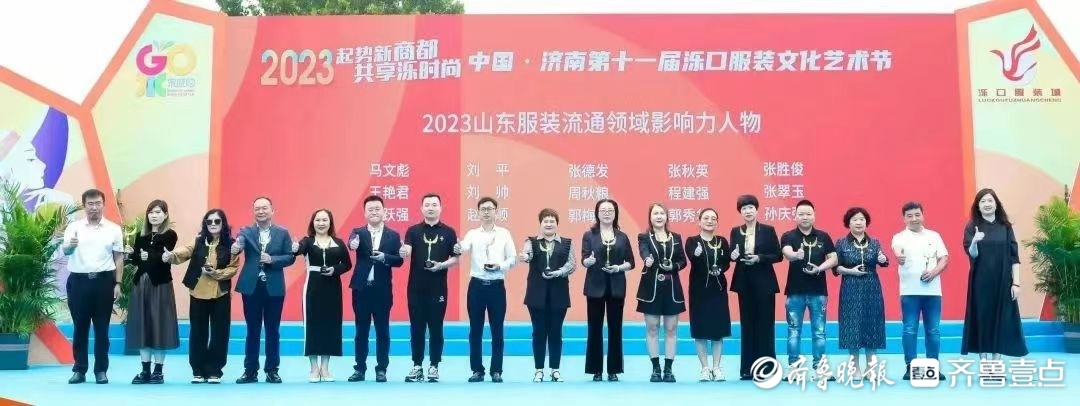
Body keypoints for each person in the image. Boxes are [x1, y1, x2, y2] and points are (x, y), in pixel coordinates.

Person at [164, 209, 239, 384]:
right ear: (205, 224)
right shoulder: (198, 240)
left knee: (220, 333)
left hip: (220, 293)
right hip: (198, 292)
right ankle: (197, 370)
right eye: (209, 221)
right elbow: (185, 251)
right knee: (198, 332)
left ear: (223, 223)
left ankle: (214, 370)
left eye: (217, 221)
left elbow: (233, 268)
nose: (213, 224)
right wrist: (171, 255)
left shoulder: (231, 244)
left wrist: (216, 273)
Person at [62, 189, 124, 384]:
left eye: (98, 203)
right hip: (78, 282)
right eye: (90, 204)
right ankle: (79, 370)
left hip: (104, 282)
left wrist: (118, 283)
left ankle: (101, 370)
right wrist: (71, 246)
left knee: (102, 329)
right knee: (80, 328)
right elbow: (66, 251)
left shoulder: (113, 229)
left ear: (103, 204)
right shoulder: (73, 227)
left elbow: (119, 257)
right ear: (84, 205)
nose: (94, 207)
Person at [231, 196, 296, 384]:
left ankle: (272, 370)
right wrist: (236, 248)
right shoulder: (246, 231)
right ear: (253, 212)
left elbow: (290, 257)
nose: (261, 211)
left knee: (272, 330)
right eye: (257, 208)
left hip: (274, 287)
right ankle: (250, 370)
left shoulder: (282, 233)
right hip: (251, 287)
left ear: (272, 211)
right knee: (252, 330)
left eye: (264, 208)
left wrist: (272, 260)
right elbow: (239, 243)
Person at [961, 188, 1029, 361]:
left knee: (1001, 319)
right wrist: (974, 241)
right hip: (981, 282)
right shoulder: (972, 226)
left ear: (996, 204)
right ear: (978, 206)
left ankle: (996, 363)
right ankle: (984, 363)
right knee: (983, 319)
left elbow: (1014, 257)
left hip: (1003, 281)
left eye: (990, 200)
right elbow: (972, 254)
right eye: (983, 201)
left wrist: (1016, 283)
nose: (987, 204)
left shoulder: (1005, 227)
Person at [454, 197, 517, 383]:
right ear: (478, 212)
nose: (487, 212)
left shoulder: (504, 233)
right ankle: (477, 370)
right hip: (477, 286)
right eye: (483, 209)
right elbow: (463, 248)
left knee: (497, 330)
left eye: (490, 208)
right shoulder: (473, 233)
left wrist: (500, 266)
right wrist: (458, 247)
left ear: (496, 211)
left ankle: (496, 370)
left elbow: (513, 258)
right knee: (475, 330)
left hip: (496, 286)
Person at [400, 193, 459, 382]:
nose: (431, 208)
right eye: (427, 205)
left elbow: (455, 259)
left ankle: (434, 366)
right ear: (421, 208)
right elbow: (407, 250)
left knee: (436, 327)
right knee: (416, 328)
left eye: (434, 205)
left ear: (440, 208)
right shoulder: (413, 231)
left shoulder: (449, 232)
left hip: (438, 288)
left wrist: (441, 265)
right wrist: (403, 251)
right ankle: (417, 366)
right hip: (415, 288)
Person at [347, 195, 404, 383]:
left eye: (377, 209)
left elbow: (399, 261)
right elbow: (351, 242)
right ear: (365, 213)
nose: (374, 212)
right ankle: (359, 369)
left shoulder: (393, 235)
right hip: (361, 289)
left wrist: (384, 257)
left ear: (384, 211)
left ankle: (381, 369)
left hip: (382, 290)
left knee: (382, 331)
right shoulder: (358, 232)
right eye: (370, 209)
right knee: (361, 331)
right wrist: (352, 244)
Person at [779, 199, 837, 380]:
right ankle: (794, 368)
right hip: (795, 292)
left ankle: (820, 368)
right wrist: (796, 255)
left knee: (819, 332)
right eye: (801, 214)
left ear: (814, 215)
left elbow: (833, 258)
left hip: (818, 292)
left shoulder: (823, 236)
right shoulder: (789, 236)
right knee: (793, 331)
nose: (805, 217)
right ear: (795, 216)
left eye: (808, 214)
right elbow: (786, 252)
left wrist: (820, 268)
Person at [292, 209, 352, 382]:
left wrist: (335, 269)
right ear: (313, 223)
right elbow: (298, 250)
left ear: (330, 222)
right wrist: (295, 248)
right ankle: (313, 368)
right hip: (312, 288)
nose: (321, 223)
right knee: (312, 326)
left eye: (324, 220)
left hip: (333, 288)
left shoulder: (338, 243)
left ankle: (325, 368)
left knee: (330, 326)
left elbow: (347, 264)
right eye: (317, 220)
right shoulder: (307, 241)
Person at [891, 201, 948, 381]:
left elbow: (944, 258)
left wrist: (933, 272)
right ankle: (911, 367)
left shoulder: (934, 236)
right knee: (909, 329)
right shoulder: (899, 237)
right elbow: (897, 250)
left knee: (933, 330)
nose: (914, 218)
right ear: (904, 218)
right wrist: (899, 257)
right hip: (909, 292)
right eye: (909, 216)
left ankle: (933, 366)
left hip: (933, 292)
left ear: (923, 215)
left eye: (917, 214)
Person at [125, 200, 180, 384]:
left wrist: (148, 255)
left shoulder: (170, 235)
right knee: (143, 325)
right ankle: (145, 370)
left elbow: (163, 256)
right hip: (140, 284)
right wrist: (131, 254)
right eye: (151, 212)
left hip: (160, 285)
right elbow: (137, 260)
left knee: (159, 324)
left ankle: (158, 371)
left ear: (165, 215)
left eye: (158, 212)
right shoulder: (140, 236)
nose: (154, 215)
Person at [727, 194, 782, 381]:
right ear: (740, 212)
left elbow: (777, 255)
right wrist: (733, 255)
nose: (748, 211)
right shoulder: (736, 231)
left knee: (765, 325)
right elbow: (732, 254)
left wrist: (759, 258)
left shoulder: (767, 230)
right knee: (747, 325)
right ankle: (747, 369)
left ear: (757, 210)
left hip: (764, 283)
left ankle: (767, 368)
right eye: (744, 209)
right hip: (744, 282)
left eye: (750, 208)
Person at [581, 198, 635, 382]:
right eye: (603, 210)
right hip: (594, 287)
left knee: (615, 328)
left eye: (610, 210)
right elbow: (584, 259)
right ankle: (595, 369)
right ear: (597, 213)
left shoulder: (622, 236)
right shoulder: (589, 235)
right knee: (594, 328)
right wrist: (588, 261)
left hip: (616, 286)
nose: (606, 213)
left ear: (615, 213)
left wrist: (619, 268)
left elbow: (631, 262)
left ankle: (614, 369)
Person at [519, 208, 575, 382]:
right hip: (536, 294)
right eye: (546, 221)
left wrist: (559, 272)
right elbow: (527, 255)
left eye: (552, 221)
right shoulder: (531, 242)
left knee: (556, 332)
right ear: (541, 223)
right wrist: (524, 256)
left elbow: (572, 264)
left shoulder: (567, 243)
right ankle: (539, 370)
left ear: (557, 224)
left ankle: (555, 370)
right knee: (538, 332)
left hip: (559, 293)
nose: (549, 224)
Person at [833, 207, 888, 378]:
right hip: (850, 288)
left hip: (872, 289)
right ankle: (854, 368)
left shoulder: (875, 243)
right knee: (852, 326)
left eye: (862, 219)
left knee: (873, 324)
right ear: (848, 223)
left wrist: (883, 259)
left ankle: (871, 368)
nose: (859, 222)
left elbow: (884, 261)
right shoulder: (841, 243)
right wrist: (851, 271)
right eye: (855, 219)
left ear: (866, 222)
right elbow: (836, 267)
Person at [635, 203, 687, 382]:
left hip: (672, 288)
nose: (659, 216)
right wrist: (647, 259)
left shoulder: (676, 237)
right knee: (652, 328)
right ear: (650, 217)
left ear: (666, 217)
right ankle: (656, 368)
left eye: (662, 213)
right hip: (651, 288)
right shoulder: (644, 237)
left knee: (671, 329)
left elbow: (682, 260)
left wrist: (674, 266)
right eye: (655, 213)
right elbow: (644, 251)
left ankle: (669, 369)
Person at [684, 208, 732, 382]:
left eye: (713, 218)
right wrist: (696, 254)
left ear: (717, 222)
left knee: (718, 330)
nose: (710, 221)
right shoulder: (692, 241)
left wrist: (723, 267)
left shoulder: (722, 241)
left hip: (717, 290)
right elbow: (692, 258)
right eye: (706, 218)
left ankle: (717, 367)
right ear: (699, 221)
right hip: (699, 291)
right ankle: (704, 368)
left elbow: (726, 263)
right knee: (700, 330)